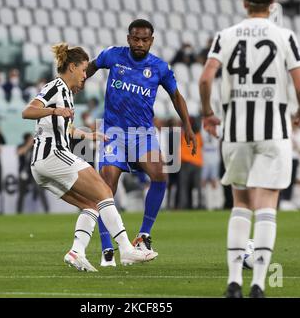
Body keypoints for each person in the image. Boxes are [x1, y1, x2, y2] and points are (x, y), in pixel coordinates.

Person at [199, 0, 300, 298]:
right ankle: (259, 284)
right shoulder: (285, 36)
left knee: (241, 204)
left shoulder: (226, 35)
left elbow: (206, 77)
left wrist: (209, 113)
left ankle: (234, 283)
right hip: (274, 131)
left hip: (235, 131)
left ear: (245, 3)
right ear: (272, 4)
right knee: (266, 206)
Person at [22, 42, 157, 271]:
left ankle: (76, 252)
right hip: (52, 155)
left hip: (42, 165)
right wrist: (55, 110)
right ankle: (125, 248)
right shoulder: (56, 87)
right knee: (105, 190)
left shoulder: (67, 94)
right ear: (72, 67)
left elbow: (66, 129)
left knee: (92, 205)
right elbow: (28, 111)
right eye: (84, 70)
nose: (85, 75)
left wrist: (90, 135)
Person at [85, 19, 197, 266]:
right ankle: (107, 249)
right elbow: (90, 67)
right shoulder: (112, 56)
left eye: (145, 39)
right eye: (135, 38)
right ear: (128, 38)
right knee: (106, 188)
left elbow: (176, 97)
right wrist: (76, 84)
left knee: (160, 175)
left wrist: (188, 127)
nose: (139, 43)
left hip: (143, 133)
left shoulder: (159, 67)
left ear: (151, 40)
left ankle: (144, 235)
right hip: (114, 132)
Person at [16, 133, 49, 213]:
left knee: (41, 191)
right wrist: (28, 145)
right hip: (24, 173)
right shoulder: (21, 146)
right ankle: (18, 212)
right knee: (21, 193)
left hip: (34, 173)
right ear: (27, 139)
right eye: (30, 138)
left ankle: (46, 210)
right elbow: (20, 153)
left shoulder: (35, 146)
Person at [178, 117, 203, 209]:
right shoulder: (198, 135)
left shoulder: (183, 134)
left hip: (185, 162)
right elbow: (201, 145)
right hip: (197, 162)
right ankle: (198, 204)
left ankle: (183, 205)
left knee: (184, 186)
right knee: (197, 187)